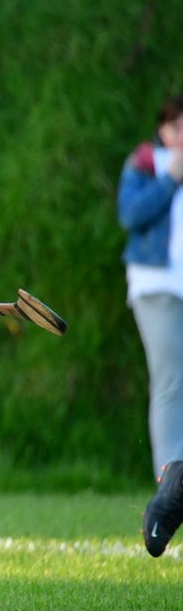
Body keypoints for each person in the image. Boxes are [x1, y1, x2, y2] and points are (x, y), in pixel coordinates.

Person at [117, 93, 183, 557]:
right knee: (170, 382)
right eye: (175, 127)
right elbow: (131, 216)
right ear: (164, 130)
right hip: (157, 285)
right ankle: (169, 484)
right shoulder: (146, 162)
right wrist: (170, 181)